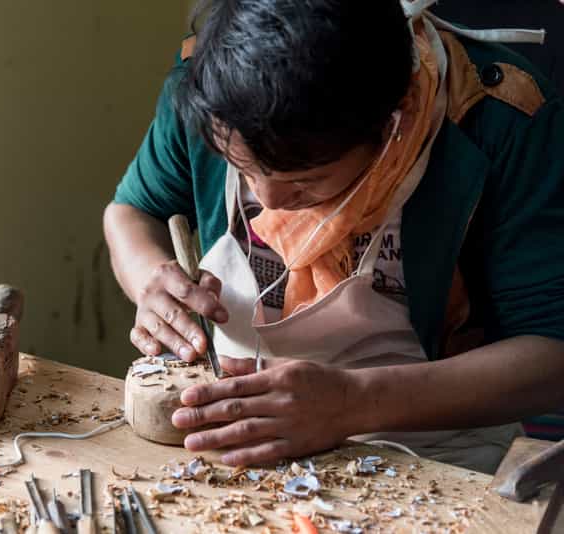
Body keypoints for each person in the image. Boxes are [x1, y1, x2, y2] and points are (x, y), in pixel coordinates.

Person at [104, 0, 564, 474]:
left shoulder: (502, 121)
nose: (270, 202)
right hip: (242, 436)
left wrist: (352, 402)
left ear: (395, 119)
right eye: (242, 168)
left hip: (436, 449)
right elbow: (133, 212)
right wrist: (149, 277)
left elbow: (552, 356)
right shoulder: (211, 87)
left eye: (304, 181)